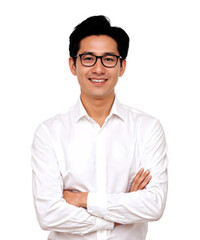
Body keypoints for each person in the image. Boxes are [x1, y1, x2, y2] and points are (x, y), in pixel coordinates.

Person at [31, 15, 168, 239]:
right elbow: (49, 214)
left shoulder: (147, 128)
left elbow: (154, 204)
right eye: (88, 58)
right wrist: (118, 214)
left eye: (108, 59)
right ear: (72, 65)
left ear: (121, 66)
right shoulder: (49, 132)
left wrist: (83, 199)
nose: (98, 68)